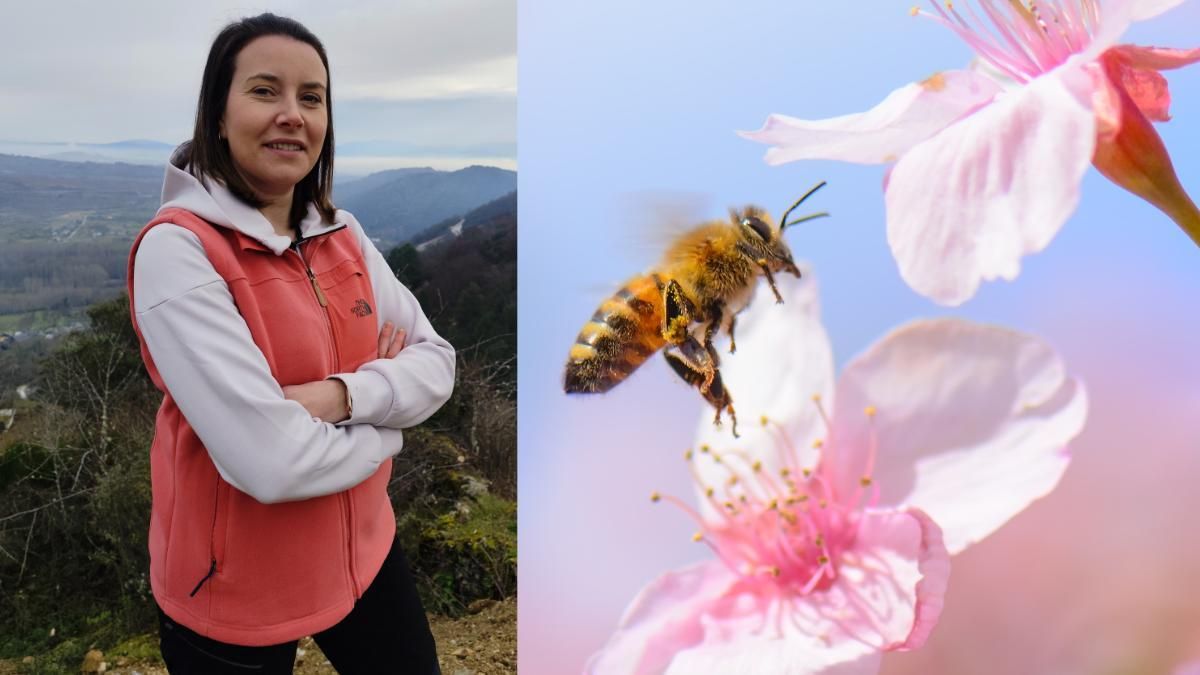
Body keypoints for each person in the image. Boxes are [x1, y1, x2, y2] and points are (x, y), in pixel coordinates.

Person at [126, 13, 454, 674]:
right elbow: (271, 462)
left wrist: (340, 397)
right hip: (230, 590)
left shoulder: (342, 234)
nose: (292, 115)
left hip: (363, 552)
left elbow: (438, 362)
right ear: (217, 115)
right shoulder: (180, 251)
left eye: (311, 97)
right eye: (264, 91)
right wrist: (389, 431)